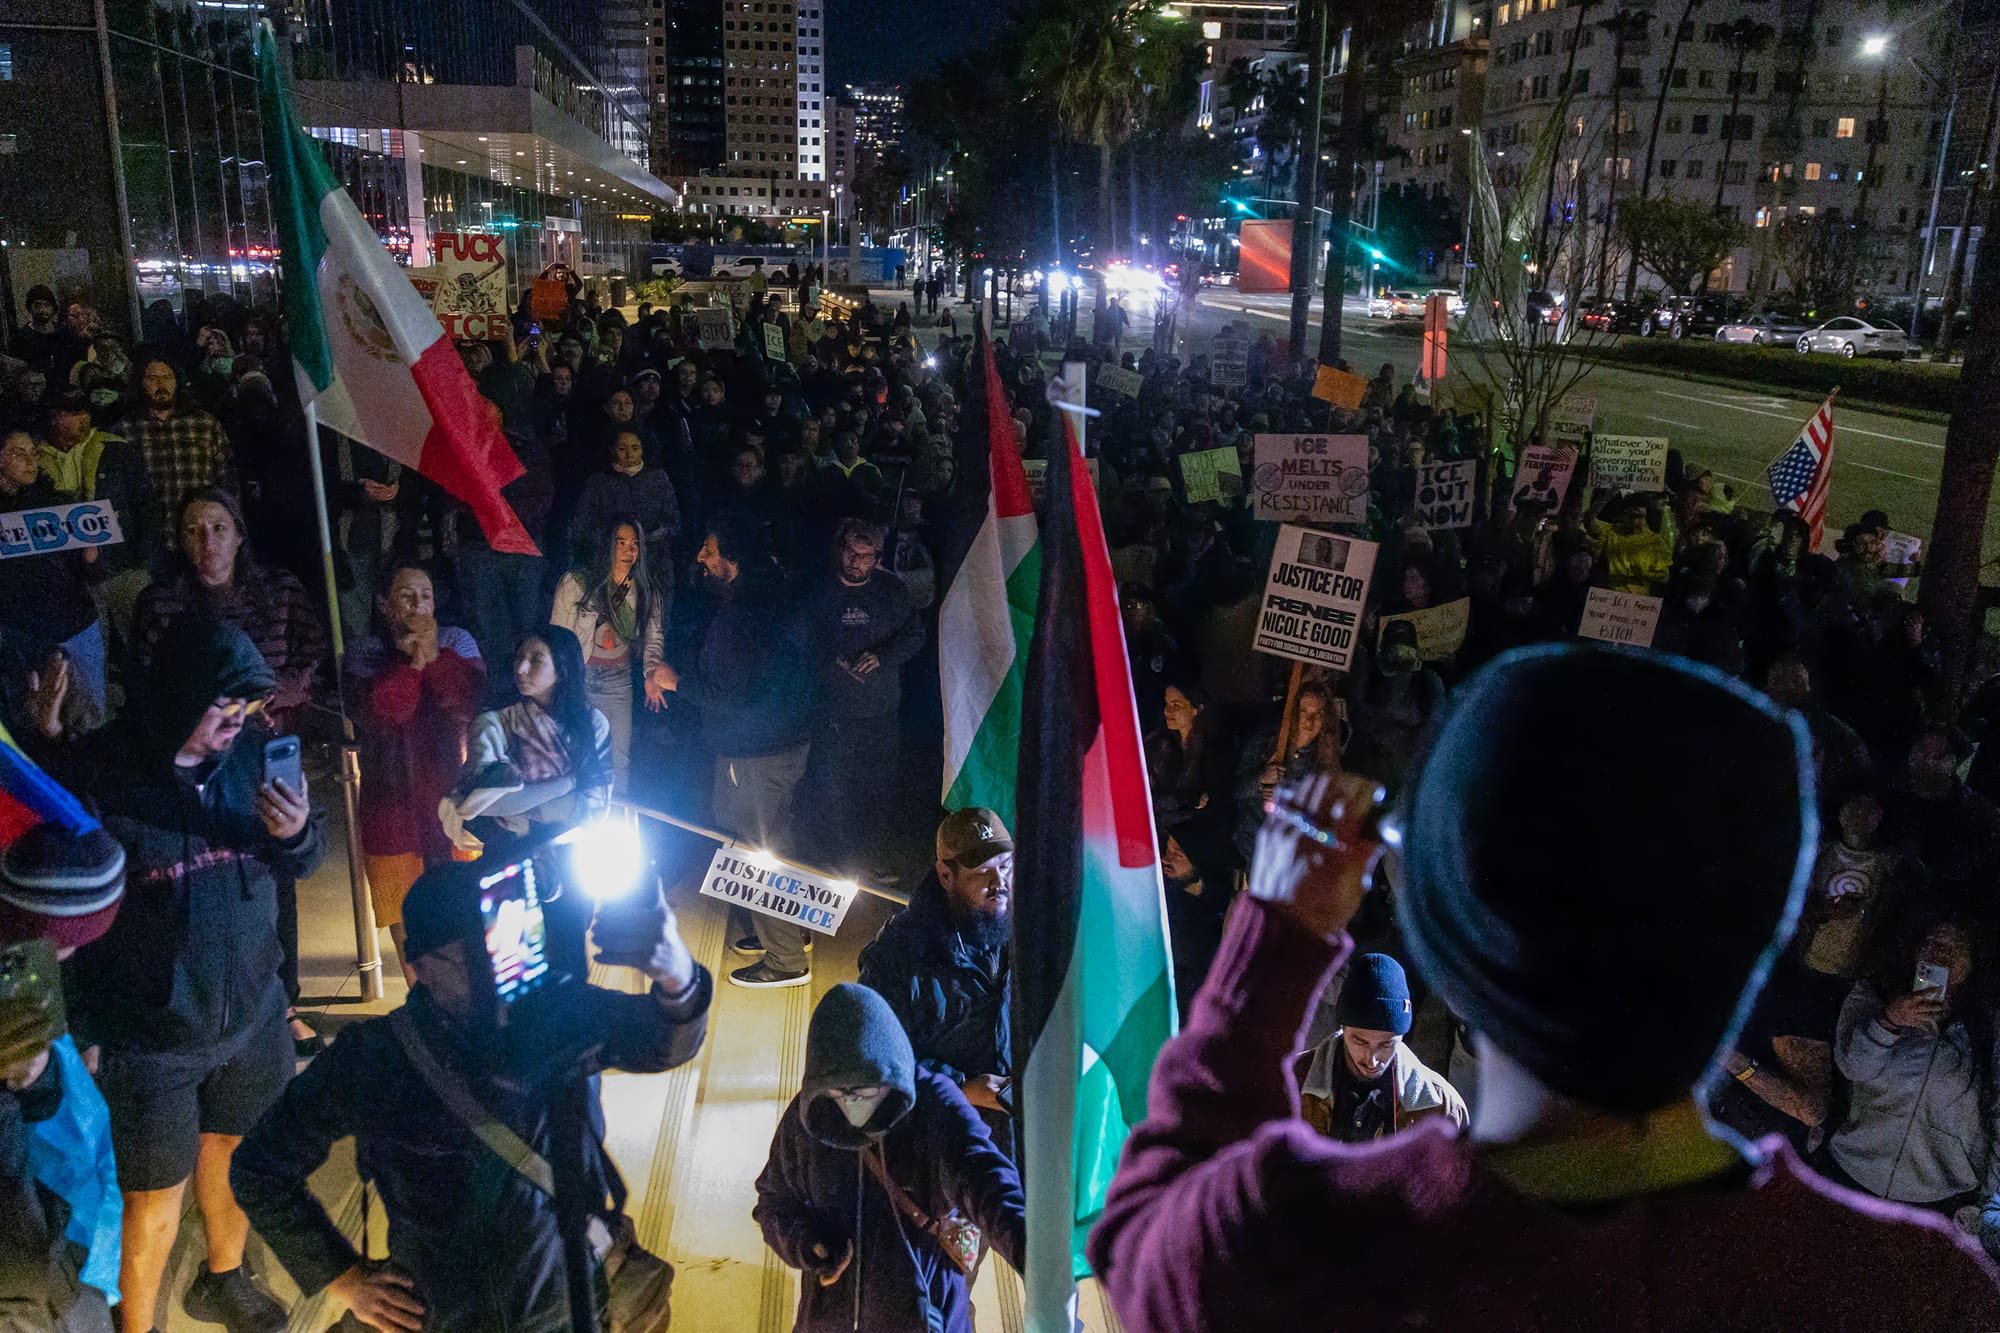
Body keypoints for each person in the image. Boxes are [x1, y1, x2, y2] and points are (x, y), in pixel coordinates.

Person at [1089, 646, 2000, 1330]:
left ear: (1454, 924)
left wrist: (1278, 936)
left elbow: (1140, 1231)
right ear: (1757, 922)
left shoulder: (1311, 1247)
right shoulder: (1916, 1295)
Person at [231, 859, 711, 1333]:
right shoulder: (376, 1058)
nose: (499, 972)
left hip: (571, 1305)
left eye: (510, 946)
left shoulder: (553, 1011)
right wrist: (344, 1279)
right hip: (442, 1315)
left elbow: (661, 1042)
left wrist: (676, 976)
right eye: (473, 958)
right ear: (419, 963)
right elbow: (258, 1167)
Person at [30, 621, 318, 1333]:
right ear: (179, 692)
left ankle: (224, 1276)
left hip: (253, 1014)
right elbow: (60, 910)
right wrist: (86, 1027)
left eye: (244, 711)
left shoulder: (254, 759)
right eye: (221, 707)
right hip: (149, 1035)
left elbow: (300, 866)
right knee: (153, 1198)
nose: (233, 725)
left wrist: (298, 834)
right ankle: (140, 1327)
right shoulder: (102, 774)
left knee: (238, 1154)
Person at [753, 983, 1025, 1333]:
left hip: (926, 1313)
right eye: (839, 1093)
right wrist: (807, 1244)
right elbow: (774, 1203)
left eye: (865, 1092)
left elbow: (989, 1184)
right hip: (829, 1319)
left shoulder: (936, 1106)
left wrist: (1031, 1251)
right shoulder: (810, 1117)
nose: (851, 1105)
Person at [654, 515, 816, 988]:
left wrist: (674, 680)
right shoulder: (775, 595)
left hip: (754, 751)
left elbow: (726, 694)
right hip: (785, 741)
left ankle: (785, 958)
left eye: (709, 551)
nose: (701, 559)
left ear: (733, 559)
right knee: (776, 837)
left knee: (756, 847)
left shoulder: (739, 615)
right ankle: (791, 927)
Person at [0, 819, 130, 1333]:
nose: (71, 956)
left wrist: (38, 1082)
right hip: (27, 1279)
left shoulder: (26, 980)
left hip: (55, 1255)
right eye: (65, 943)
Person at [341, 563, 486, 981]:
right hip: (392, 807)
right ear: (385, 605)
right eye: (406, 596)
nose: (418, 605)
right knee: (405, 918)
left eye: (425, 595)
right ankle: (422, 1003)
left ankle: (469, 1003)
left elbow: (468, 701)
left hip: (453, 802)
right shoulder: (365, 652)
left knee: (465, 909)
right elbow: (383, 711)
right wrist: (411, 666)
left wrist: (435, 658)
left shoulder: (457, 641)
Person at [858, 809, 1015, 1159]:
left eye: (1005, 865)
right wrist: (962, 1088)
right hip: (943, 1139)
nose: (1000, 881)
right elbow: (876, 1062)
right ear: (946, 875)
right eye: (982, 872)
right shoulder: (897, 958)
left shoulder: (1033, 931)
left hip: (1023, 1134)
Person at [1825, 914, 2000, 1225]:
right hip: (1851, 1170)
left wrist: (1989, 1205)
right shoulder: (1874, 995)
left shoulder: (1985, 1027)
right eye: (1932, 942)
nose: (1939, 955)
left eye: (1954, 948)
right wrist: (1889, 1021)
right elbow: (1853, 1068)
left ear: (1972, 962)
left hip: (1939, 1196)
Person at [803, 520, 923, 875]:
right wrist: (830, 658)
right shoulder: (821, 591)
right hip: (834, 712)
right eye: (852, 553)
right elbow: (800, 639)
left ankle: (868, 864)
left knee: (876, 788)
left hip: (880, 711)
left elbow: (915, 635)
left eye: (865, 556)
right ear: (841, 550)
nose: (856, 561)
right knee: (832, 787)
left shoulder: (891, 591)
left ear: (877, 559)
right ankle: (830, 864)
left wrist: (883, 655)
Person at [442, 627, 612, 857]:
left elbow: (596, 801)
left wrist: (527, 809)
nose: (521, 669)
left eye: (536, 660)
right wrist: (568, 785)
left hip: (575, 849)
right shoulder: (495, 722)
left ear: (562, 669)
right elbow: (478, 803)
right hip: (511, 850)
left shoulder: (592, 723)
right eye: (520, 658)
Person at [0, 430, 107, 736]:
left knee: (88, 720)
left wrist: (90, 557)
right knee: (29, 723)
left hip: (76, 628)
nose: (31, 461)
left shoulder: (60, 505)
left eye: (34, 453)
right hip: (21, 634)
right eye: (19, 453)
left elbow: (92, 573)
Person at [549, 519, 669, 792]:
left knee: (619, 759)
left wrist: (651, 673)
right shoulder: (576, 583)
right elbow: (559, 638)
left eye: (635, 544)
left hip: (619, 680)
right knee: (579, 754)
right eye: (621, 543)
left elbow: (654, 635)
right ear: (607, 544)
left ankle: (617, 817)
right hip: (582, 678)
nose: (629, 551)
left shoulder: (645, 588)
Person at [1297, 953, 1466, 1142]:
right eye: (1360, 1042)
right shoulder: (1291, 1084)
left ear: (1403, 1036)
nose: (1372, 1059)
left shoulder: (1442, 1105)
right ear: (1342, 1028)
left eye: (1386, 1044)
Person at [37, 392, 154, 658]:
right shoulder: (37, 460)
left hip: (123, 568)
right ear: (53, 417)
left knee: (144, 648)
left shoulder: (114, 449)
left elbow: (145, 503)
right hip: (73, 581)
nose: (83, 419)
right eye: (73, 413)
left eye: (84, 411)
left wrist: (145, 561)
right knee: (88, 657)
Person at [112, 359, 235, 547]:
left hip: (201, 537)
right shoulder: (125, 429)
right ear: (140, 382)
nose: (161, 385)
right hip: (149, 541)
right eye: (152, 378)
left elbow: (226, 479)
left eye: (167, 377)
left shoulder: (204, 424)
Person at [570, 428, 680, 579]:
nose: (629, 454)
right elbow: (582, 525)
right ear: (612, 450)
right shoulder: (598, 482)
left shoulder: (658, 479)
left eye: (635, 448)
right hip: (609, 564)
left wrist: (647, 539)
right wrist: (615, 542)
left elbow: (673, 521)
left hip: (653, 564)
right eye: (622, 449)